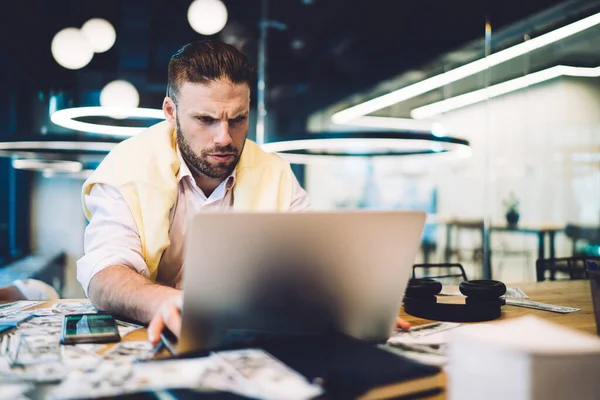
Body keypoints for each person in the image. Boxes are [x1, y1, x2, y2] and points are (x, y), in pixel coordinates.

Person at [77, 40, 409, 346]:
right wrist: (162, 300)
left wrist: (346, 303)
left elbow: (310, 267)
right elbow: (104, 274)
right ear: (170, 112)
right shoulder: (126, 168)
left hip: (251, 343)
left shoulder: (274, 172)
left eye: (238, 119)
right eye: (205, 119)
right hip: (153, 341)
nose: (224, 138)